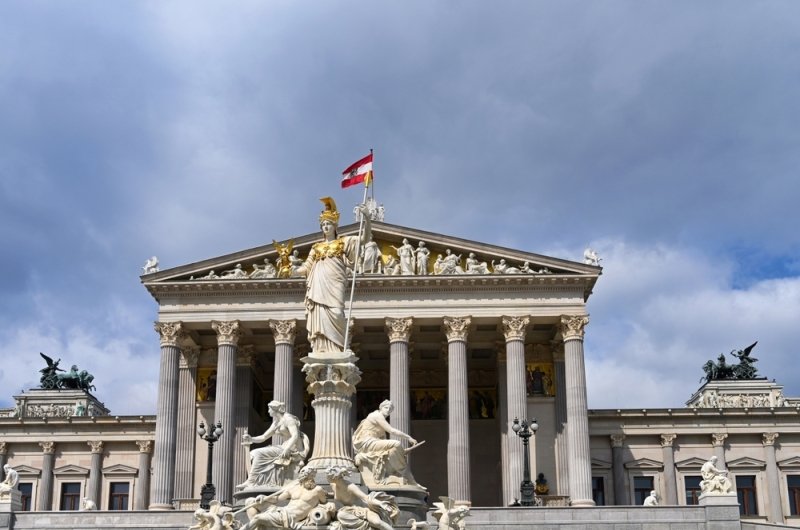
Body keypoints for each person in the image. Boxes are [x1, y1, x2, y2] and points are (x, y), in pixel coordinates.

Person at [293, 198, 371, 355]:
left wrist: (367, 218)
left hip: (335, 282)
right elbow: (306, 268)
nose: (325, 227)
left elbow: (364, 239)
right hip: (318, 284)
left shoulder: (343, 242)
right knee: (320, 314)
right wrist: (291, 271)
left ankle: (337, 347)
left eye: (328, 223)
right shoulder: (316, 248)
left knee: (336, 313)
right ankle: (322, 348)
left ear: (335, 225)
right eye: (323, 225)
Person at [238, 400, 310, 489]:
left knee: (259, 453)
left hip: (293, 449)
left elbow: (295, 435)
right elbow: (264, 437)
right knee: (255, 453)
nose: (268, 411)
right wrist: (251, 438)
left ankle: (251, 481)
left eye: (269, 409)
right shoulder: (276, 422)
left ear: (274, 410)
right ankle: (253, 481)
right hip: (284, 447)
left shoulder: (288, 419)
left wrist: (287, 449)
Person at [352, 400, 420, 487]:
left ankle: (406, 477)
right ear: (381, 408)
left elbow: (385, 443)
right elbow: (391, 430)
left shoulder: (381, 423)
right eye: (386, 407)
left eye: (390, 409)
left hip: (372, 442)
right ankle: (405, 475)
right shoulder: (376, 415)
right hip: (367, 442)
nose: (388, 410)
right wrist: (408, 437)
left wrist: (401, 451)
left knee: (395, 449)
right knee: (396, 443)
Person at [241, 467, 329, 530]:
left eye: (312, 477)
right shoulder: (293, 488)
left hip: (288, 517)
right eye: (309, 476)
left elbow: (325, 503)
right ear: (302, 477)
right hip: (281, 511)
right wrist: (265, 497)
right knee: (250, 502)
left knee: (258, 518)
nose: (311, 479)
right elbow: (277, 499)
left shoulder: (317, 490)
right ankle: (257, 527)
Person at [327, 467, 398, 530]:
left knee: (377, 523)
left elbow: (366, 498)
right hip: (349, 510)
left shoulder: (350, 487)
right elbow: (337, 494)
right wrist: (326, 495)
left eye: (328, 476)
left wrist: (381, 503)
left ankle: (367, 524)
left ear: (335, 478)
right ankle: (364, 525)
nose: (327, 478)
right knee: (340, 515)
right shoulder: (333, 485)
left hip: (363, 510)